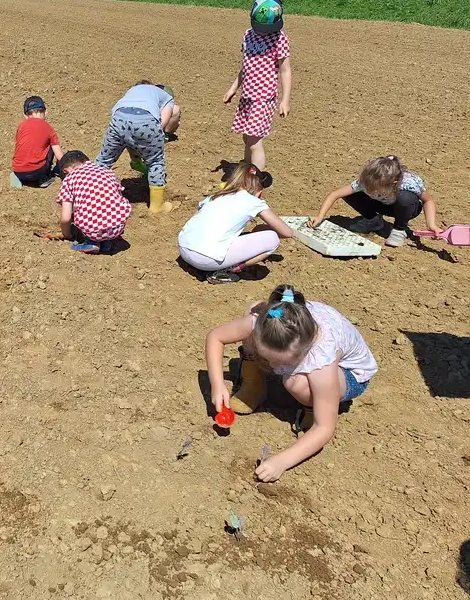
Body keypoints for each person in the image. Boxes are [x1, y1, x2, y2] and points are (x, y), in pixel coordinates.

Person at [205, 285, 377, 482]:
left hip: (349, 376)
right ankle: (254, 386)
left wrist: (281, 462)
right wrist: (217, 384)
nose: (271, 366)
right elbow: (216, 337)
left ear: (305, 350)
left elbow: (325, 428)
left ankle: (311, 408)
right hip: (293, 345)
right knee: (251, 311)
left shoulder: (321, 360)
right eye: (266, 358)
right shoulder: (269, 319)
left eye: (279, 363)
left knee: (297, 382)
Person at [178, 163, 293, 284]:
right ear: (259, 191)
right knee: (273, 239)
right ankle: (226, 271)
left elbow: (194, 219)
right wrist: (264, 228)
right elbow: (287, 232)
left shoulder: (215, 196)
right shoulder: (253, 202)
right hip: (205, 260)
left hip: (183, 249)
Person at [223, 0, 292, 171]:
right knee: (247, 138)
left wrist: (285, 100)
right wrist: (233, 88)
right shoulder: (247, 35)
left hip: (264, 97)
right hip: (247, 95)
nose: (263, 32)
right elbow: (246, 65)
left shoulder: (279, 38)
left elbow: (285, 70)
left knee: (254, 140)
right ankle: (246, 171)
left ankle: (255, 181)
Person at [310, 155, 441, 248]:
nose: (370, 191)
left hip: (405, 207)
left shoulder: (408, 183)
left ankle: (399, 229)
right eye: (369, 188)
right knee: (351, 193)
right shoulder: (367, 181)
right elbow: (335, 194)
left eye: (375, 189)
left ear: (392, 183)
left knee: (406, 198)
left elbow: (428, 201)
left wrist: (431, 225)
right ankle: (373, 221)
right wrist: (320, 216)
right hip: (381, 204)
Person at [96, 81, 181, 214]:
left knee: (104, 160)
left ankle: (90, 194)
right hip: (145, 121)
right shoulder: (167, 97)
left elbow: (119, 114)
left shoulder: (132, 91)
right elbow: (162, 125)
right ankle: (156, 207)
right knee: (156, 162)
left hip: (119, 118)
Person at [55, 151, 132, 254]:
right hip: (118, 226)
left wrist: (66, 234)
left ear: (66, 171)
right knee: (104, 206)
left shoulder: (69, 179)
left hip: (93, 230)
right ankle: (106, 242)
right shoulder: (106, 171)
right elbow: (117, 197)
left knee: (88, 213)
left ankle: (92, 242)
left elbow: (66, 218)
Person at [11, 95, 63, 188]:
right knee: (51, 145)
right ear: (46, 112)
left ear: (25, 116)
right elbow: (59, 156)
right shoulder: (49, 128)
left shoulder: (21, 126)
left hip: (18, 171)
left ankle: (18, 178)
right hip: (38, 172)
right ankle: (44, 178)